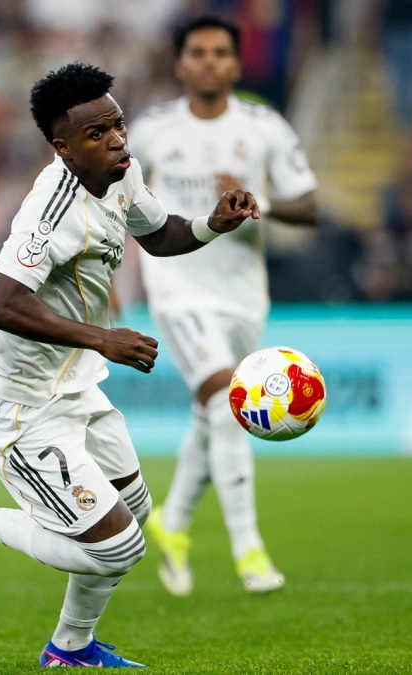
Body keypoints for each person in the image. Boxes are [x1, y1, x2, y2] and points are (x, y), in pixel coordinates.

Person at [0, 62, 259, 667]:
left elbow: (159, 232)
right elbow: (5, 304)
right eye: (97, 134)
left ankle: (70, 648)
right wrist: (102, 338)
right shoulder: (50, 211)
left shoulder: (121, 174)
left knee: (132, 512)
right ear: (63, 148)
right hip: (16, 404)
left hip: (73, 385)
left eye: (118, 125)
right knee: (120, 548)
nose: (116, 140)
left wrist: (213, 224)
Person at [131, 16, 319, 597]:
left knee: (214, 414)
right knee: (223, 395)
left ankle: (173, 523)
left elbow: (309, 208)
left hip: (241, 294)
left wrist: (254, 198)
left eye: (220, 53)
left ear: (237, 65)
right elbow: (110, 200)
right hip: (175, 284)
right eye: (198, 52)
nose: (209, 61)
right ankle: (249, 551)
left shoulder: (263, 127)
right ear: (181, 63)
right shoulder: (149, 131)